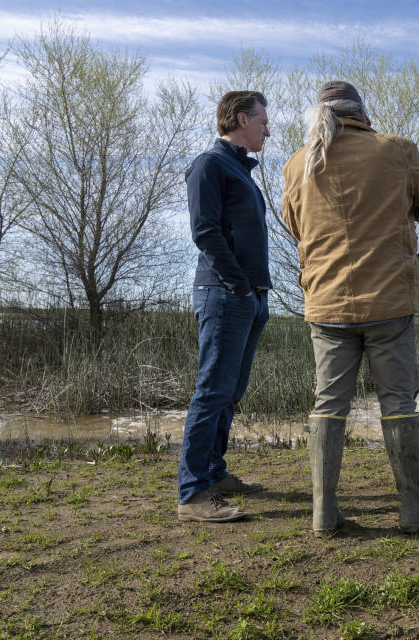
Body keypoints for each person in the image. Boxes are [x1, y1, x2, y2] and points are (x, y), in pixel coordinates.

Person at [281, 81, 419, 536]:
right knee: (397, 400)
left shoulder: (297, 163)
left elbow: (293, 224)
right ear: (361, 112)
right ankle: (413, 507)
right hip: (388, 301)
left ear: (319, 115)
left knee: (328, 403)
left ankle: (323, 511)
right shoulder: (395, 150)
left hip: (326, 302)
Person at [177, 91, 271, 522]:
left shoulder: (241, 170)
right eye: (262, 121)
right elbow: (205, 232)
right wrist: (240, 288)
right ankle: (193, 494)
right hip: (225, 292)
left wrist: (254, 294)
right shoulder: (209, 164)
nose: (267, 129)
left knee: (229, 394)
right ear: (239, 119)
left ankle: (214, 473)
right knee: (212, 390)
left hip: (250, 296)